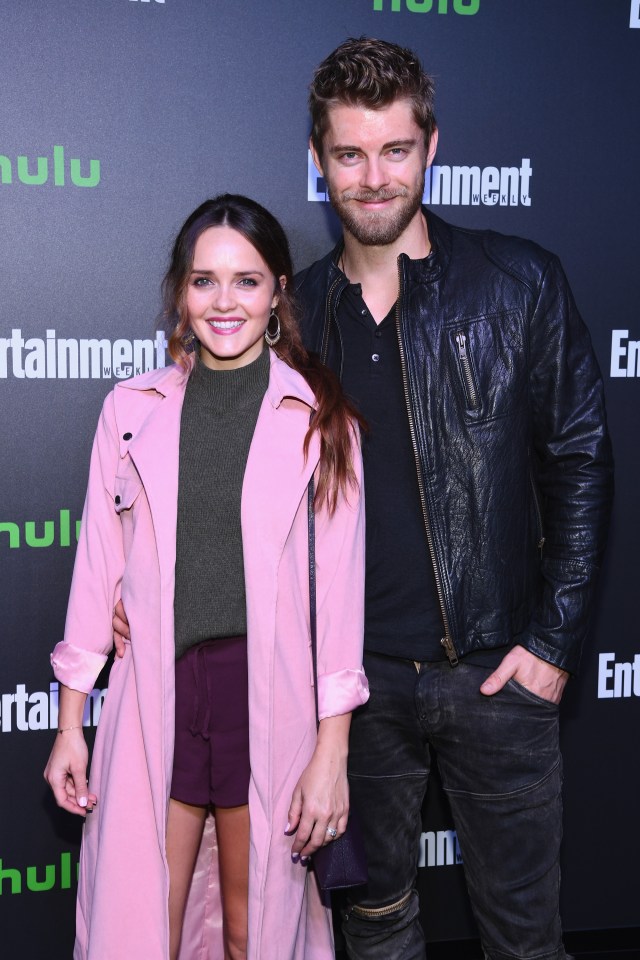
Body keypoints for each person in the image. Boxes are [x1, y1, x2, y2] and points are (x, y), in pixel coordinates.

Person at [296, 37, 612, 960]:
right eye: (350, 154)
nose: (374, 176)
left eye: (395, 150)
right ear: (319, 162)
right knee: (376, 930)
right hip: (354, 694)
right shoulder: (296, 316)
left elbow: (581, 463)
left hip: (496, 675)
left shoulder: (520, 284)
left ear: (432, 147)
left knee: (523, 938)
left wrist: (551, 646)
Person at [44, 194, 369, 960]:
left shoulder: (325, 423)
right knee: (140, 921)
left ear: (279, 292)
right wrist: (67, 727)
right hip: (157, 691)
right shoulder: (129, 410)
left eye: (247, 281)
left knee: (253, 927)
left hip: (270, 701)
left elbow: (341, 607)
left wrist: (332, 754)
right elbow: (97, 575)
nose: (225, 302)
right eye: (205, 281)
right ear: (181, 294)